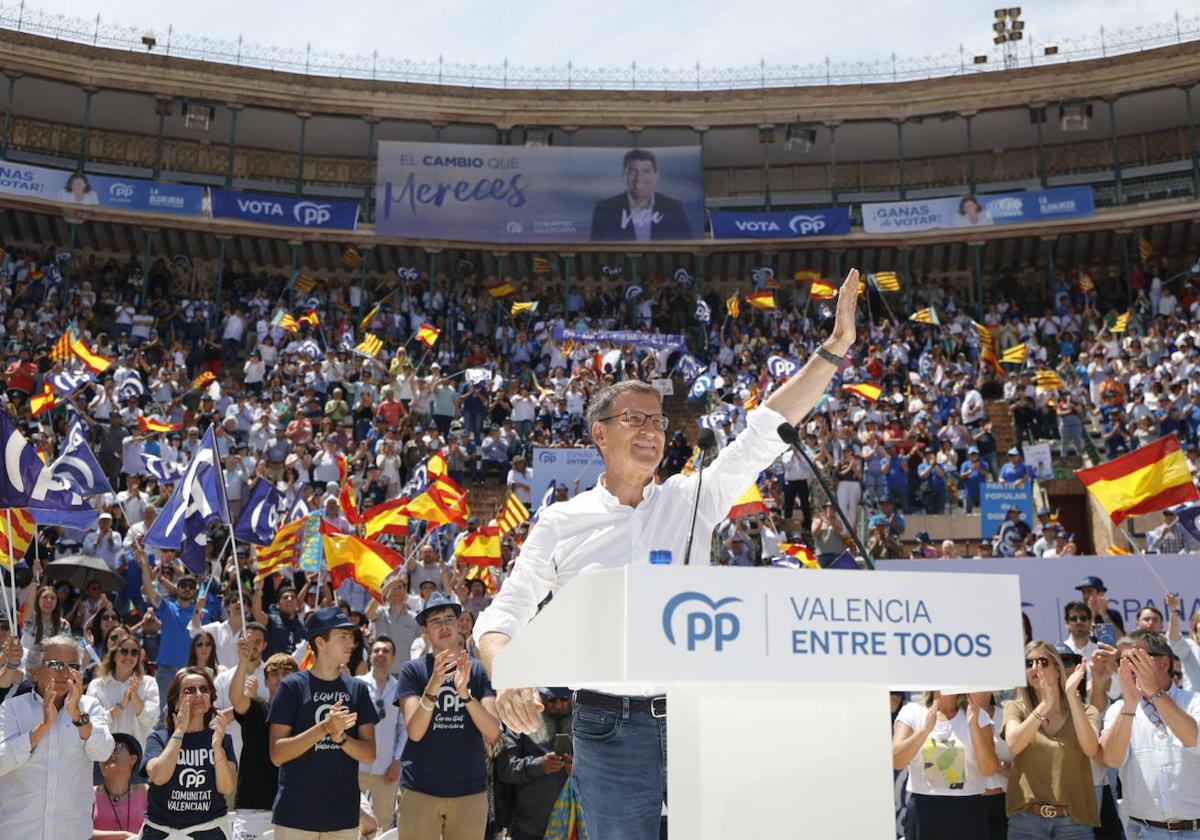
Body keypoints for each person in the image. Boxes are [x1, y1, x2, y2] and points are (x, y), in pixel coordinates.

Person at [474, 269, 860, 839]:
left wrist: (833, 349)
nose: (652, 430)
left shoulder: (694, 497)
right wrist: (506, 673)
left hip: (696, 716)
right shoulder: (560, 523)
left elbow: (764, 432)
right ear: (599, 435)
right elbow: (501, 617)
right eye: (634, 418)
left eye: (657, 420)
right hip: (606, 725)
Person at [268, 606, 378, 839]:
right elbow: (277, 754)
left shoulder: (357, 689)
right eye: (343, 637)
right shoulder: (292, 687)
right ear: (321, 642)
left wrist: (341, 738)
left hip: (342, 817)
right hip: (295, 815)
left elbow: (369, 754)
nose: (351, 642)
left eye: (351, 636)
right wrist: (324, 728)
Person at [397, 592, 500, 839]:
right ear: (425, 631)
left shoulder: (478, 670)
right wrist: (433, 686)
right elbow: (415, 732)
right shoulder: (413, 670)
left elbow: (493, 731)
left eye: (448, 619)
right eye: (435, 621)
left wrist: (465, 694)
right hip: (420, 790)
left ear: (459, 624)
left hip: (469, 792)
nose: (443, 626)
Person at [0, 634, 116, 839]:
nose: (65, 673)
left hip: (71, 832)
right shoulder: (12, 709)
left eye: (72, 666)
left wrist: (78, 717)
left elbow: (104, 752)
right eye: (55, 664)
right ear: (35, 672)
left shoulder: (90, 707)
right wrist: (43, 727)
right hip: (19, 832)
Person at [1100, 629, 1200, 838]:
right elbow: (1111, 759)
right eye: (1121, 661)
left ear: (1164, 663)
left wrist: (1155, 694)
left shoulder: (1195, 702)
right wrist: (1129, 706)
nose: (1126, 668)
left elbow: (1193, 738)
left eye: (1134, 659)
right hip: (1144, 832)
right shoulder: (1118, 710)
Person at [1002, 641, 1100, 838]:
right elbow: (1013, 745)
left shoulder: (1087, 711)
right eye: (1028, 663)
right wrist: (1044, 705)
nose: (1035, 668)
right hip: (1026, 820)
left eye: (1042, 662)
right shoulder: (1015, 708)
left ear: (1057, 670)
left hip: (1074, 821)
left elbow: (1091, 749)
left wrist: (1072, 698)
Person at [143, 668, 237, 839]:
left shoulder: (222, 740)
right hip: (161, 832)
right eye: (189, 690)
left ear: (210, 700)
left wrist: (217, 749)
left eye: (204, 689)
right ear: (175, 701)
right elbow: (159, 776)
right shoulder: (158, 738)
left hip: (209, 832)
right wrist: (179, 732)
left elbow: (227, 788)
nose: (198, 694)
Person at [891, 691, 999, 839]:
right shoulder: (912, 711)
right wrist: (924, 730)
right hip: (923, 811)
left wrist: (974, 726)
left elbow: (990, 769)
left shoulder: (977, 715)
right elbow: (896, 760)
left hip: (968, 812)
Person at [228, 641, 298, 840]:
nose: (281, 678)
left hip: (291, 810)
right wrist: (243, 663)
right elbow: (236, 698)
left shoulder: (305, 718)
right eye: (274, 674)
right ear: (265, 681)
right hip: (254, 811)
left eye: (287, 672)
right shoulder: (258, 708)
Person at [497, 687, 575, 840]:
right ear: (539, 696)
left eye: (565, 699)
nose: (558, 705)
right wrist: (539, 765)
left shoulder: (585, 723)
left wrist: (580, 768)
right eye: (551, 700)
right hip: (530, 828)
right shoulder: (521, 722)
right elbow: (505, 769)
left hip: (574, 827)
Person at [589, 148, 694, 242]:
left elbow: (688, 249)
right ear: (624, 176)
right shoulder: (604, 209)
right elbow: (596, 254)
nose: (639, 178)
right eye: (633, 172)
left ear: (656, 176)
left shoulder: (673, 208)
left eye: (646, 171)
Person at [358, 636, 406, 832]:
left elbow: (403, 729)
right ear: (370, 656)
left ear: (393, 657)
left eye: (386, 651)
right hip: (356, 769)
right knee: (352, 824)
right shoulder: (357, 684)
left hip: (386, 770)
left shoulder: (400, 689)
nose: (380, 654)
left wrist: (397, 761)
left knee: (384, 825)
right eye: (376, 650)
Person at [85, 634, 160, 749]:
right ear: (114, 655)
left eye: (134, 652)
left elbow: (150, 721)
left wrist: (134, 696)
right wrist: (120, 706)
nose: (129, 656)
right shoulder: (96, 686)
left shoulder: (149, 683)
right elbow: (93, 723)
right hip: (105, 752)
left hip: (139, 752)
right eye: (124, 651)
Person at [93, 731, 149, 840]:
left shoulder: (146, 792)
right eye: (105, 751)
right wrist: (125, 836)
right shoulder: (89, 794)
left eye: (115, 748)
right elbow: (80, 831)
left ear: (133, 759)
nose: (109, 754)